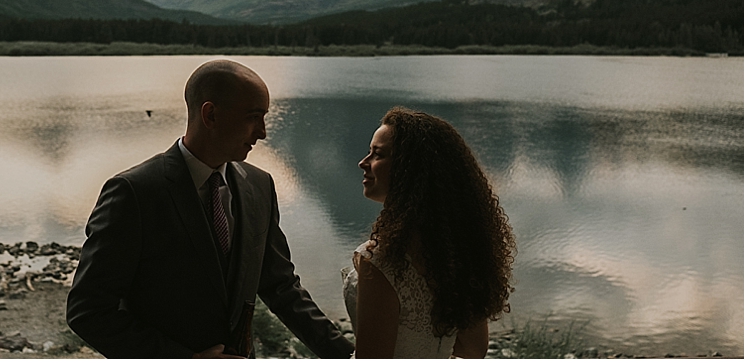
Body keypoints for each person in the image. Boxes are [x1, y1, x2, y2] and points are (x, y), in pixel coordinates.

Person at [67, 59, 354, 358]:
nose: (263, 132)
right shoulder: (134, 193)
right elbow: (87, 311)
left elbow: (281, 288)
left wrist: (351, 356)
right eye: (253, 117)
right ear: (211, 115)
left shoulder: (260, 186)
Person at [343, 107, 515, 358]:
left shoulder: (381, 261)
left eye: (377, 154)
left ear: (408, 169)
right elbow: (472, 351)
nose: (363, 163)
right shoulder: (460, 252)